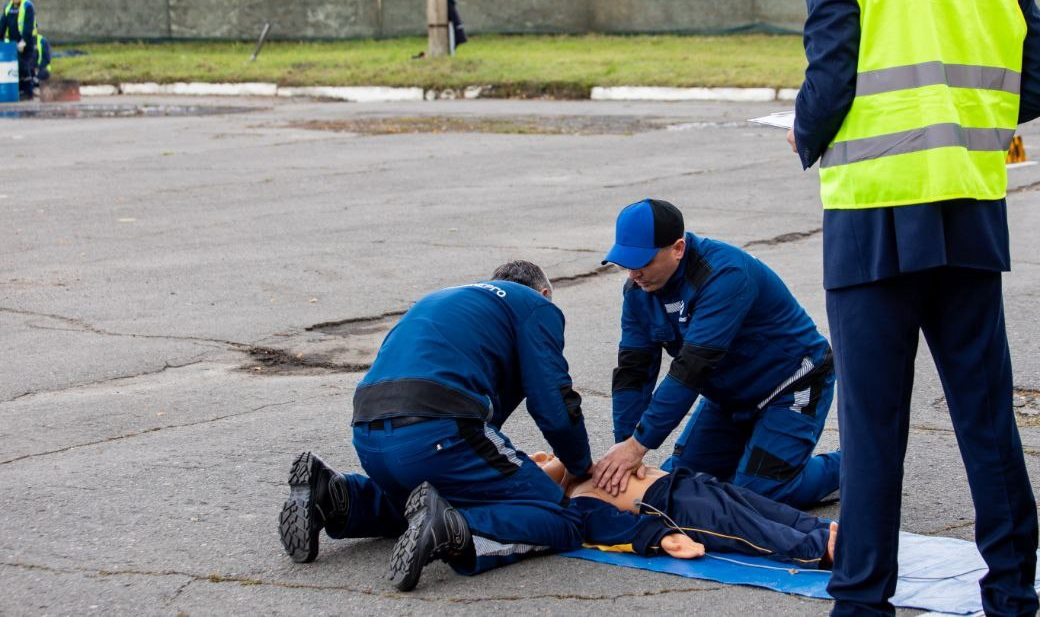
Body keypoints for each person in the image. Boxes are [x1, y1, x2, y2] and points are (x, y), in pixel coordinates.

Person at [790, 0, 1040, 615]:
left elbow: (831, 79)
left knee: (874, 431)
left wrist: (805, 132)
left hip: (873, 219)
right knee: (987, 420)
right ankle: (1011, 594)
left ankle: (863, 603)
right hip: (971, 213)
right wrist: (967, 122)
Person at [277, 260, 594, 592]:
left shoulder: (448, 299)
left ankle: (337, 496)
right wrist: (580, 466)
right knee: (562, 519)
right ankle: (455, 529)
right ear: (544, 293)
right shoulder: (536, 306)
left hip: (369, 431)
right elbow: (554, 404)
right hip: (439, 429)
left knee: (432, 499)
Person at [592, 198, 841, 510]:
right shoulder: (638, 292)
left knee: (757, 497)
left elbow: (691, 369)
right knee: (678, 485)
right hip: (729, 397)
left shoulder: (724, 274)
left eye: (642, 262)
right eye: (625, 263)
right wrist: (626, 444)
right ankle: (757, 460)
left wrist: (640, 445)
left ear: (678, 248)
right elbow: (634, 371)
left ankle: (859, 464)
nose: (633, 274)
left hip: (790, 384)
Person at [535, 451, 837, 568]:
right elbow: (610, 525)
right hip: (679, 509)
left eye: (542, 456)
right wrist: (662, 537)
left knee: (768, 510)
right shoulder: (578, 498)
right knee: (748, 528)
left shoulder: (589, 471)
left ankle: (823, 529)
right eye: (539, 465)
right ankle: (817, 549)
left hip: (691, 483)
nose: (543, 455)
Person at [2, 0, 42, 100]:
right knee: (17, 67)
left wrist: (24, 41)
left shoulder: (27, 6)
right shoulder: (8, 7)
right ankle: (21, 91)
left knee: (25, 65)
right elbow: (3, 24)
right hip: (13, 42)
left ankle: (28, 92)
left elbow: (28, 25)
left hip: (27, 42)